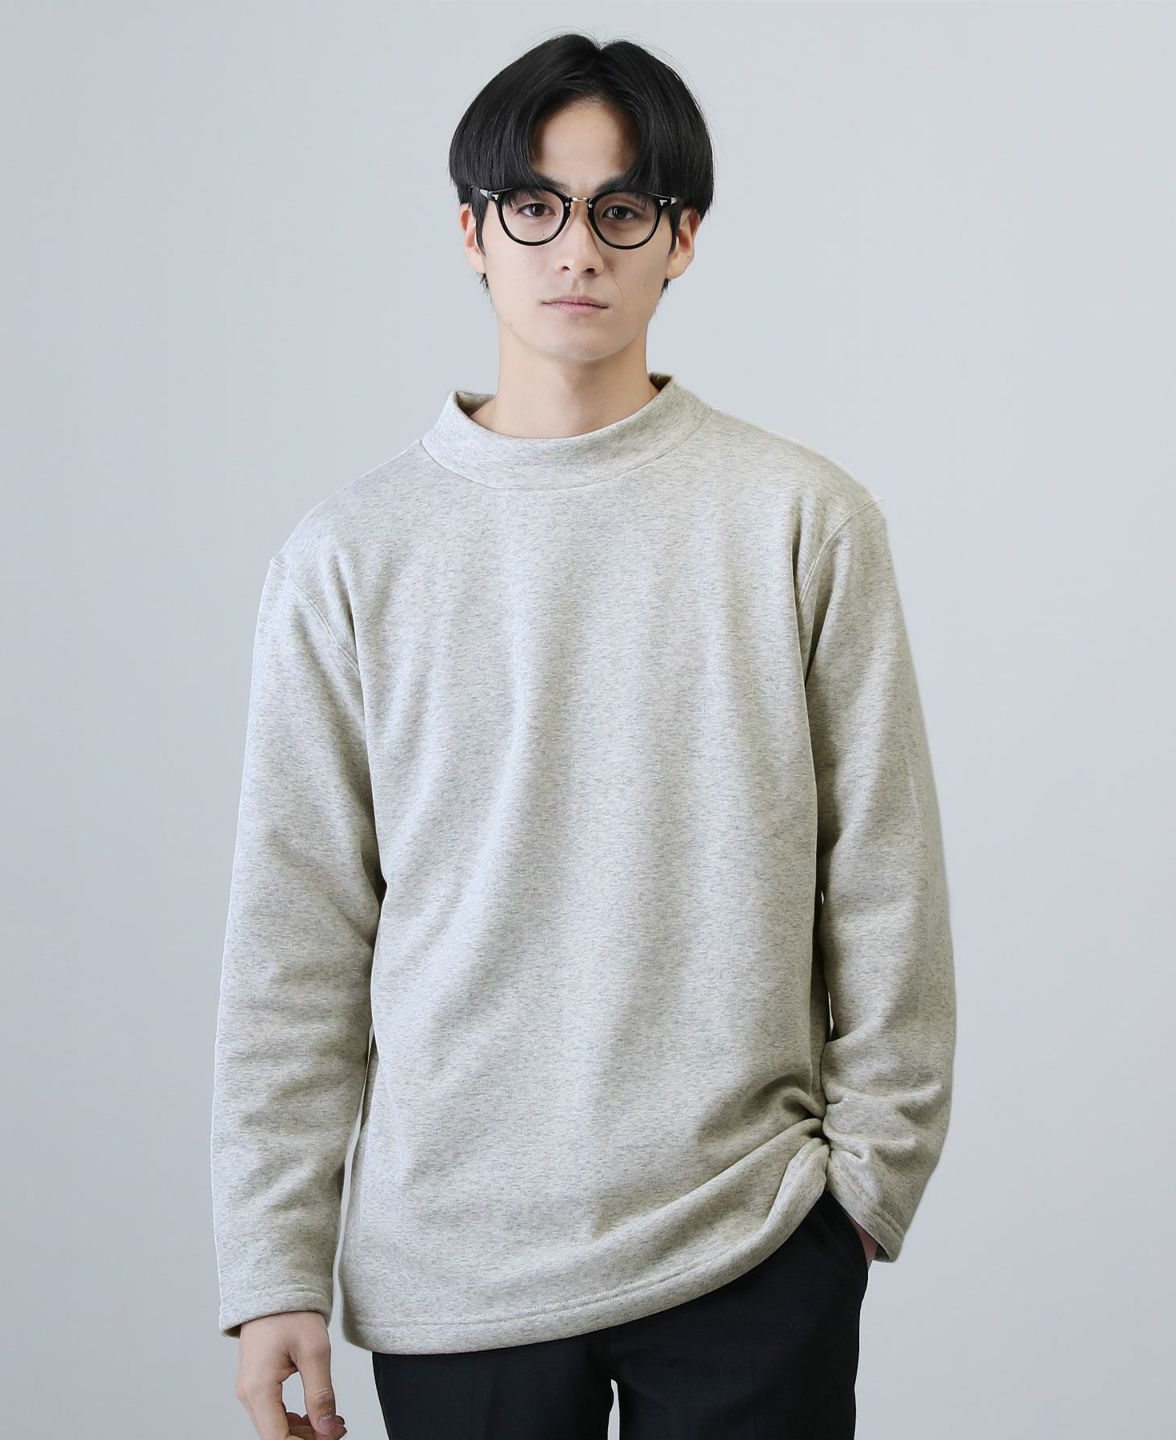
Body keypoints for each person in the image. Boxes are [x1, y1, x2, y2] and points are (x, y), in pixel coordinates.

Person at [211, 30, 956, 1440]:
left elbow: (884, 877)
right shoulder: (349, 556)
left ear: (681, 238)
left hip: (748, 1242)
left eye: (622, 210)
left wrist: (865, 1190)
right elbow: (295, 938)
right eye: (534, 206)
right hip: (455, 1261)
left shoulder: (801, 519)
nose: (575, 248)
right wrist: (273, 1267)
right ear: (472, 232)